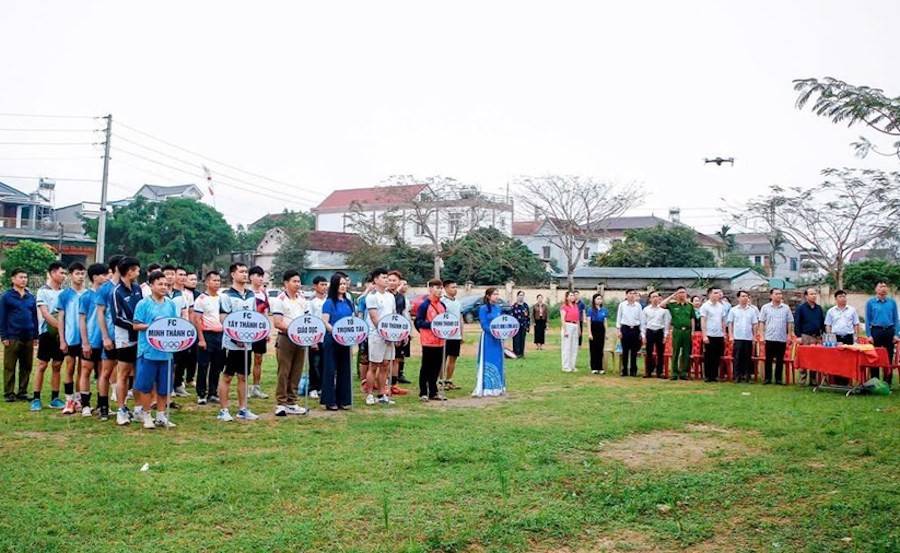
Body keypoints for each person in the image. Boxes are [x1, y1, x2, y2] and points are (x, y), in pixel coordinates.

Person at [132, 270, 178, 429]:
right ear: (151, 285)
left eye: (166, 284)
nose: (164, 287)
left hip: (166, 353)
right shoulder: (143, 304)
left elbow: (174, 325)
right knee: (145, 386)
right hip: (148, 351)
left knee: (164, 387)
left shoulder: (171, 304)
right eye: (160, 284)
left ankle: (161, 415)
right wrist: (152, 327)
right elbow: (136, 325)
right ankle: (146, 416)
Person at [217, 262, 260, 422]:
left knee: (243, 376)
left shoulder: (251, 295)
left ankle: (243, 409)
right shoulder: (226, 295)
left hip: (247, 344)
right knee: (227, 376)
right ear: (233, 274)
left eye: (245, 271)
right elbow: (224, 318)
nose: (244, 274)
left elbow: (255, 318)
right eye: (241, 271)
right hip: (231, 343)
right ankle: (223, 410)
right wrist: (236, 337)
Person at [270, 270, 309, 416]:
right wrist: (295, 329)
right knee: (284, 371)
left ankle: (292, 401)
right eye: (294, 281)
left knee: (297, 371)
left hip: (300, 339)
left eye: (299, 281)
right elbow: (278, 322)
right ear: (286, 283)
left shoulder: (302, 299)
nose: (297, 284)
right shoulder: (279, 300)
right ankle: (281, 403)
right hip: (286, 338)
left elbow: (306, 319)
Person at [112, 257, 143, 425]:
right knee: (123, 374)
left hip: (140, 338)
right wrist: (135, 326)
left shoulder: (138, 289)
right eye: (136, 270)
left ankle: (139, 409)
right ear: (129, 271)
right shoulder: (117, 291)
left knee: (139, 373)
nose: (138, 273)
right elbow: (116, 318)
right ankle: (121, 409)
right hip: (125, 338)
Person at [1, 269, 38, 403]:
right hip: (12, 336)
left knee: (26, 366)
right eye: (21, 277)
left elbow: (34, 317)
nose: (24, 280)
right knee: (10, 366)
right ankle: (9, 392)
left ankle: (22, 391)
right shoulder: (6, 296)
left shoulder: (30, 297)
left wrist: (35, 336)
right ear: (13, 279)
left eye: (25, 277)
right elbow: (2, 317)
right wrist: (4, 336)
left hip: (28, 336)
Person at [78, 264, 109, 419]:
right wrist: (85, 342)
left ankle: (101, 404)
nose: (107, 277)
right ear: (95, 277)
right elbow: (82, 320)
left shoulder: (108, 294)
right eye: (104, 274)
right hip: (91, 340)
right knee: (86, 370)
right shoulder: (86, 296)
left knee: (103, 373)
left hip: (106, 341)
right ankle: (85, 404)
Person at [56, 262, 87, 415]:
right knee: (69, 368)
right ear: (70, 275)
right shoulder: (64, 295)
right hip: (70, 337)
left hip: (86, 339)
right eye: (77, 274)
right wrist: (62, 339)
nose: (80, 277)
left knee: (83, 370)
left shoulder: (89, 294)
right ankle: (68, 400)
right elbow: (61, 318)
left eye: (82, 274)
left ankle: (78, 399)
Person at [34, 261, 66, 408]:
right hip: (47, 333)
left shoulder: (64, 292)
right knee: (42, 365)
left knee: (58, 365)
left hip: (61, 335)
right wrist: (60, 327)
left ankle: (55, 397)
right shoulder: (42, 291)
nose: (64, 276)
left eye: (65, 273)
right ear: (52, 273)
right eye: (61, 273)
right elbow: (45, 313)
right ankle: (36, 398)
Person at [321, 273, 355, 410]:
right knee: (330, 369)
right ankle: (330, 400)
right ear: (335, 285)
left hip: (345, 340)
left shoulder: (348, 302)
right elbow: (325, 322)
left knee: (345, 369)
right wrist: (335, 331)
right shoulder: (329, 303)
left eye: (345, 284)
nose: (343, 286)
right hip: (332, 339)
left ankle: (343, 399)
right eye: (340, 284)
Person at [95, 255, 123, 418]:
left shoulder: (129, 287)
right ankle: (103, 406)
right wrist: (105, 337)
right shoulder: (105, 289)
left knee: (124, 372)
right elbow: (100, 314)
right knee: (106, 372)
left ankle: (122, 406)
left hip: (125, 337)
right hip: (111, 337)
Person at [193, 271, 225, 406]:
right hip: (207, 335)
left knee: (217, 366)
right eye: (214, 280)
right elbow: (197, 320)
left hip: (220, 335)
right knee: (203, 365)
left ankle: (213, 392)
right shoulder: (201, 299)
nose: (217, 283)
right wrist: (201, 339)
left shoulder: (222, 298)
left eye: (218, 281)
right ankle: (201, 393)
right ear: (207, 282)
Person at [364, 268, 396, 405]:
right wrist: (384, 333)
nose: (387, 280)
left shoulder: (390, 296)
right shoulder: (372, 296)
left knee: (385, 365)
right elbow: (374, 317)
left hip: (390, 335)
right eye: (383, 278)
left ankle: (382, 393)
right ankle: (369, 393)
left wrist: (396, 333)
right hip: (377, 335)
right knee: (374, 365)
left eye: (387, 278)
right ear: (376, 280)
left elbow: (394, 315)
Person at [415, 279, 447, 401]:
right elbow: (418, 322)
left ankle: (433, 391)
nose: (439, 291)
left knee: (436, 367)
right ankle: (423, 392)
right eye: (437, 288)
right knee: (426, 366)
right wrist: (432, 325)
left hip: (440, 341)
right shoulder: (424, 305)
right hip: (428, 341)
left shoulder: (442, 305)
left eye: (440, 288)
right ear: (430, 289)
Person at [473, 287, 506, 397]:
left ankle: (498, 386)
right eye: (495, 294)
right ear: (488, 296)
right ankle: (487, 387)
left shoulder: (498, 308)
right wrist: (493, 332)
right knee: (488, 359)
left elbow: (501, 322)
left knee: (498, 360)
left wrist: (501, 333)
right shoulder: (483, 309)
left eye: (498, 294)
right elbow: (484, 324)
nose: (497, 296)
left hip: (498, 338)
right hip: (488, 337)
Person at [865, 281, 899, 383]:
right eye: (880, 286)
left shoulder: (892, 302)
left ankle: (887, 382)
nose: (883, 288)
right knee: (874, 357)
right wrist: (869, 335)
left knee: (888, 357)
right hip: (876, 331)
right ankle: (875, 382)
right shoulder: (870, 303)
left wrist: (896, 334)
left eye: (885, 286)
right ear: (876, 289)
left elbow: (896, 319)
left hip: (889, 331)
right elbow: (867, 319)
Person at [170, 266, 195, 398]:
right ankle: (169, 386)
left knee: (182, 360)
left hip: (183, 332)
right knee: (172, 361)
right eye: (180, 274)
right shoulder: (168, 293)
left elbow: (189, 312)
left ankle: (178, 384)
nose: (183, 277)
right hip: (170, 332)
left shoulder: (187, 295)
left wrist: (190, 329)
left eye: (184, 275)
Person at [758, 288, 792, 385]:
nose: (779, 296)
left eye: (780, 294)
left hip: (781, 337)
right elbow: (761, 322)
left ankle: (778, 379)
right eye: (776, 294)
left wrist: (789, 334)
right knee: (768, 359)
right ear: (771, 296)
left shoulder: (786, 308)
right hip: (769, 337)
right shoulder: (765, 307)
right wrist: (761, 335)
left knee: (780, 359)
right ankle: (768, 378)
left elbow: (789, 322)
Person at [248, 265, 270, 399]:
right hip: (248, 329)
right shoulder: (246, 293)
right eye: (258, 276)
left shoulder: (263, 294)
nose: (261, 279)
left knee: (258, 359)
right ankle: (244, 387)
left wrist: (267, 330)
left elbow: (266, 313)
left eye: (262, 276)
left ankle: (256, 387)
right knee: (245, 359)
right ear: (251, 277)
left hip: (260, 331)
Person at [794, 288, 825, 385]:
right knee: (804, 358)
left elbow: (822, 322)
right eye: (811, 294)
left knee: (814, 359)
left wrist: (823, 335)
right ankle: (802, 380)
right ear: (806, 296)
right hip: (805, 336)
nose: (814, 296)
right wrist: (798, 336)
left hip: (816, 337)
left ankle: (813, 379)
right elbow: (797, 323)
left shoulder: (819, 308)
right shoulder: (801, 308)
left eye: (815, 294)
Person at [727, 290, 759, 383]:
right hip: (737, 337)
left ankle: (747, 376)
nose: (745, 298)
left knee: (747, 358)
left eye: (746, 296)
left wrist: (754, 336)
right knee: (737, 357)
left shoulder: (752, 310)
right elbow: (730, 323)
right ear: (738, 298)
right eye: (743, 296)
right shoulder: (733, 310)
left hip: (748, 337)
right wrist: (731, 335)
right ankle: (737, 376)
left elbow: (754, 324)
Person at [663, 287, 693, 381]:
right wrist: (672, 295)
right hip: (677, 330)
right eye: (680, 292)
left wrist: (692, 331)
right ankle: (674, 373)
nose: (682, 294)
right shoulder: (673, 305)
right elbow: (662, 304)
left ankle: (683, 372)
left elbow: (692, 318)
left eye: (683, 292)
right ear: (677, 294)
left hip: (687, 331)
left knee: (686, 352)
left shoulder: (689, 306)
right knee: (676, 352)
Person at [387, 270, 411, 391]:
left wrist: (405, 333)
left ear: (399, 282)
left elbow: (402, 315)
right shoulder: (382, 295)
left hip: (398, 330)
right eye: (389, 280)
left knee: (396, 358)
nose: (391, 283)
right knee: (384, 360)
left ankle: (394, 385)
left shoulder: (401, 297)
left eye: (394, 280)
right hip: (384, 331)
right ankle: (382, 384)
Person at [307, 275, 328, 400]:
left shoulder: (328, 301)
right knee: (314, 364)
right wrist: (312, 340)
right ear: (315, 286)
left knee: (325, 364)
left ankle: (322, 386)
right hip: (315, 337)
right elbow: (310, 320)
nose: (324, 287)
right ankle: (313, 387)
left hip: (326, 337)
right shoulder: (311, 302)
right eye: (322, 284)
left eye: (326, 285)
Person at [700, 287, 727, 383]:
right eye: (715, 293)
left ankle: (715, 375)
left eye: (718, 293)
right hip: (709, 334)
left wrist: (724, 333)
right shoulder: (705, 306)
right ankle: (708, 376)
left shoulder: (721, 306)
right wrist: (704, 335)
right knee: (708, 356)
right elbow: (703, 321)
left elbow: (723, 320)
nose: (717, 295)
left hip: (719, 335)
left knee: (717, 356)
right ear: (709, 294)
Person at [641, 291, 670, 378]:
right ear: (650, 299)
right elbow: (643, 324)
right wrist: (643, 336)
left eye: (657, 297)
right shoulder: (646, 310)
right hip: (649, 331)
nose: (655, 298)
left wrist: (665, 335)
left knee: (660, 353)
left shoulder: (663, 311)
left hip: (659, 331)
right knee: (649, 352)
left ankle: (660, 372)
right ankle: (648, 372)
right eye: (653, 297)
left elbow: (666, 324)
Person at [440, 279, 462, 390]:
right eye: (453, 287)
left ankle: (449, 380)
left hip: (456, 335)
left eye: (456, 287)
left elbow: (460, 318)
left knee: (453, 358)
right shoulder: (442, 302)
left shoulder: (457, 302)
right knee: (443, 358)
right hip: (445, 335)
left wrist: (461, 334)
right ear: (446, 288)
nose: (455, 289)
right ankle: (441, 380)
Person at [616, 289, 643, 377]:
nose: (632, 295)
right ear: (626, 295)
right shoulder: (622, 305)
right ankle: (624, 370)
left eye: (633, 294)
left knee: (634, 351)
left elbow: (641, 319)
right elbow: (618, 318)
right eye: (630, 294)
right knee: (625, 350)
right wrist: (619, 330)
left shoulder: (638, 306)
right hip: (625, 328)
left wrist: (641, 332)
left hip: (635, 329)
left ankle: (633, 370)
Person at [183, 271, 199, 387]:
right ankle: (179, 379)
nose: (194, 281)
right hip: (184, 327)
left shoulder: (198, 295)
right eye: (191, 279)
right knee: (183, 355)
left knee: (194, 354)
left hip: (195, 327)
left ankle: (190, 377)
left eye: (195, 279)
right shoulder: (182, 294)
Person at [587, 293, 607, 374]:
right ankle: (594, 367)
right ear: (594, 300)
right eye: (597, 299)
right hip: (593, 328)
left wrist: (606, 332)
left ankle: (600, 367)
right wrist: (589, 333)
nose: (599, 300)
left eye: (600, 299)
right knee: (593, 348)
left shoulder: (604, 310)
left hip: (601, 329)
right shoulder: (590, 310)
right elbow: (588, 322)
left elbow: (605, 322)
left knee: (600, 348)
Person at [560, 291, 580, 372]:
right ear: (567, 297)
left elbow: (578, 319)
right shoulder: (564, 306)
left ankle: (572, 365)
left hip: (575, 325)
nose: (573, 297)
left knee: (574, 347)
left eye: (573, 295)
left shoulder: (575, 306)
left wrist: (579, 329)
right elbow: (562, 319)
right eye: (571, 295)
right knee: (566, 347)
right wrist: (565, 330)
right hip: (568, 325)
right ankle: (565, 366)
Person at [510, 291, 530, 358]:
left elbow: (528, 317)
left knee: (522, 340)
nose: (521, 297)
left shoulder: (525, 306)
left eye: (522, 295)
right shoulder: (514, 306)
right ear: (517, 296)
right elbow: (511, 317)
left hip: (523, 325)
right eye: (520, 295)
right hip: (516, 326)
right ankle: (516, 353)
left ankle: (521, 354)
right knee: (516, 340)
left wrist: (528, 326)